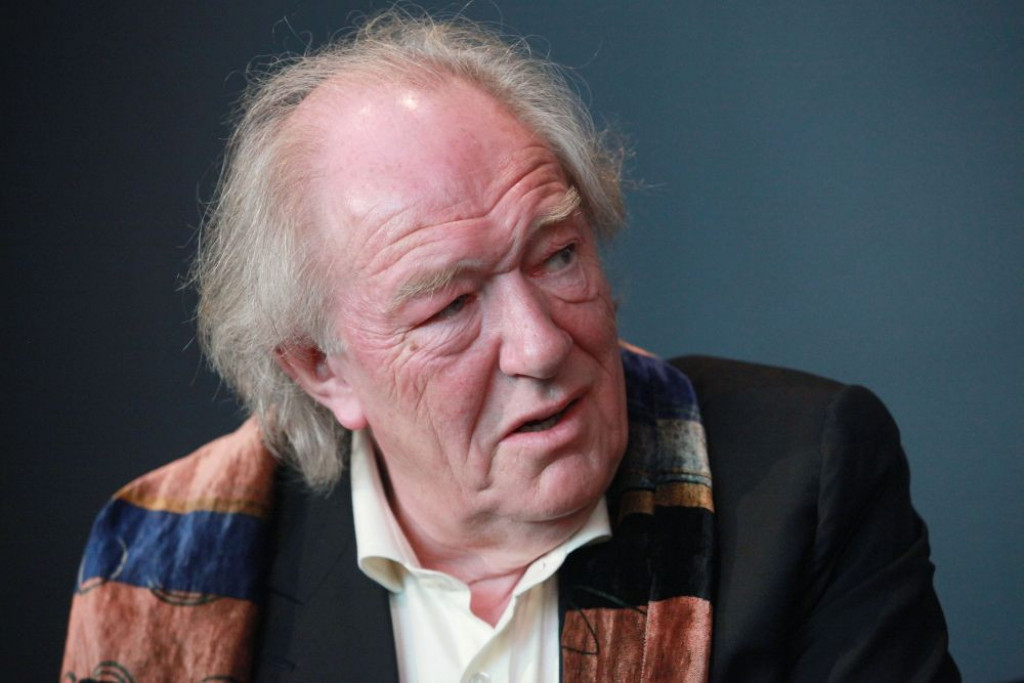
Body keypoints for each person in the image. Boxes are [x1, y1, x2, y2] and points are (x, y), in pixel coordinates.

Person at [62, 11, 958, 682]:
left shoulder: (805, 475)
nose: (539, 345)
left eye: (557, 255)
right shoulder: (169, 561)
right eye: (451, 306)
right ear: (321, 368)